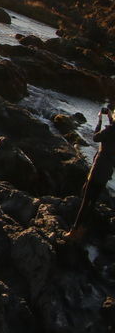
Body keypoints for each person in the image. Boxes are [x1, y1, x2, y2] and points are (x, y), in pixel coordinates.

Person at [65, 103, 115, 242]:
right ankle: (82, 231)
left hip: (98, 168)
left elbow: (95, 137)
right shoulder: (112, 129)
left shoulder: (110, 130)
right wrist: (110, 118)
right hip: (107, 172)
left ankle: (73, 231)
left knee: (85, 201)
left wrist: (99, 120)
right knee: (92, 203)